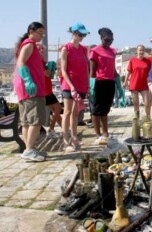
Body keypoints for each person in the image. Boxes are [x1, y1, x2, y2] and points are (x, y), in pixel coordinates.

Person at [14, 22, 47, 161]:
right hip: (31, 89)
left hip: (26, 90)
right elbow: (21, 62)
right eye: (40, 32)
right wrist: (28, 80)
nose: (42, 35)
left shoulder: (31, 45)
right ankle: (28, 150)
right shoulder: (29, 44)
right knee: (36, 121)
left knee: (27, 122)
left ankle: (29, 149)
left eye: (43, 33)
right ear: (31, 31)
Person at [89, 27, 125, 145]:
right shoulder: (95, 51)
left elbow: (114, 70)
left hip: (110, 82)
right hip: (98, 82)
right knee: (96, 110)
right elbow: (92, 71)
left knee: (105, 109)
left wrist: (119, 86)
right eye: (107, 39)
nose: (109, 42)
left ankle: (105, 133)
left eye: (111, 40)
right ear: (101, 38)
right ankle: (98, 134)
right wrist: (91, 86)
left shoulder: (113, 51)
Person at [60, 23, 90, 151]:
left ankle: (74, 138)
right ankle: (65, 140)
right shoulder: (65, 48)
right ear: (73, 33)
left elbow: (86, 69)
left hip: (81, 84)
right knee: (67, 112)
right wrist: (71, 86)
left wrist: (88, 85)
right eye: (80, 34)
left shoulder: (84, 49)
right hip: (68, 84)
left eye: (84, 34)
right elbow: (63, 69)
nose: (82, 36)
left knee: (76, 113)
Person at [36, 43, 62, 138]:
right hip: (44, 91)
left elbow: (47, 75)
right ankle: (51, 130)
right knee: (58, 109)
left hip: (47, 90)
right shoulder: (36, 61)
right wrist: (46, 72)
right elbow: (41, 74)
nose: (41, 50)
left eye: (42, 49)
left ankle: (65, 130)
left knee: (57, 112)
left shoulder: (43, 61)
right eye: (39, 49)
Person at [122, 44, 152, 119]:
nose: (141, 52)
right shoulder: (132, 60)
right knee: (136, 103)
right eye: (140, 50)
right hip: (134, 83)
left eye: (143, 50)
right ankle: (137, 119)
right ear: (137, 51)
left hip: (144, 84)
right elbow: (128, 72)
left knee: (147, 103)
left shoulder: (148, 61)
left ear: (144, 51)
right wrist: (125, 82)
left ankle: (148, 118)